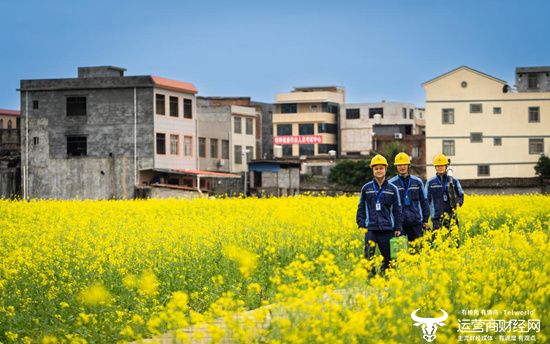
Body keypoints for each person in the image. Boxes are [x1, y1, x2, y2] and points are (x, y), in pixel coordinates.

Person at [356, 154, 403, 272]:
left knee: (389, 258)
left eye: (381, 168)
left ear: (385, 169)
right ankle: (370, 279)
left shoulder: (393, 189)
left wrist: (398, 227)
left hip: (387, 228)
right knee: (368, 258)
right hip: (370, 228)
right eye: (376, 168)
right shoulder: (366, 188)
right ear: (372, 170)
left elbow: (397, 209)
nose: (379, 171)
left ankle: (385, 278)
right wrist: (361, 224)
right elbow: (361, 207)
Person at [389, 152, 430, 242]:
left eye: (404, 164)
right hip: (399, 225)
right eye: (399, 165)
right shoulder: (391, 184)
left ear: (408, 165)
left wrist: (425, 219)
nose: (402, 167)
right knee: (401, 253)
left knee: (418, 250)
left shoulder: (418, 182)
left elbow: (424, 201)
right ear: (396, 167)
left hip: (416, 223)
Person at [425, 153, 464, 229]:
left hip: (452, 217)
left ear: (446, 166)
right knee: (437, 240)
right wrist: (425, 219)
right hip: (436, 218)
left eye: (442, 165)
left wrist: (458, 202)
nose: (440, 168)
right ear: (435, 167)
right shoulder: (430, 182)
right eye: (438, 166)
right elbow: (426, 201)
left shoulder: (453, 180)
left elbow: (460, 195)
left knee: (454, 239)